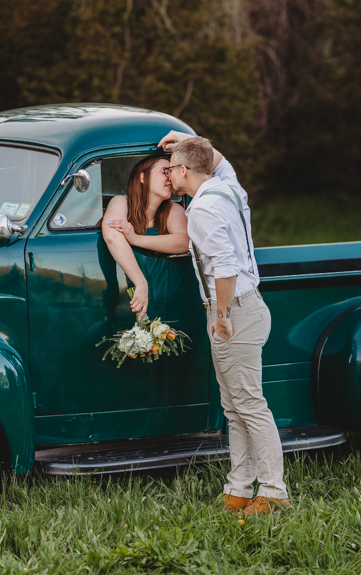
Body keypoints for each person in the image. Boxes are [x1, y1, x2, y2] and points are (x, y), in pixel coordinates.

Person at [158, 131, 291, 517]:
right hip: (249, 306)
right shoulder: (229, 187)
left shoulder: (201, 209)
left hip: (233, 312)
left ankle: (274, 493)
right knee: (235, 407)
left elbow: (225, 266)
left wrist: (222, 318)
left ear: (184, 170)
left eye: (171, 168)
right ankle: (238, 489)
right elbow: (217, 159)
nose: (168, 174)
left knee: (250, 405)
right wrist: (190, 140)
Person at [101, 156, 191, 321]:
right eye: (165, 171)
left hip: (170, 300)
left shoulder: (172, 210)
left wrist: (135, 239)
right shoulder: (121, 202)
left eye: (171, 173)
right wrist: (140, 283)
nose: (170, 178)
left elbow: (185, 242)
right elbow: (112, 235)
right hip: (128, 296)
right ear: (143, 177)